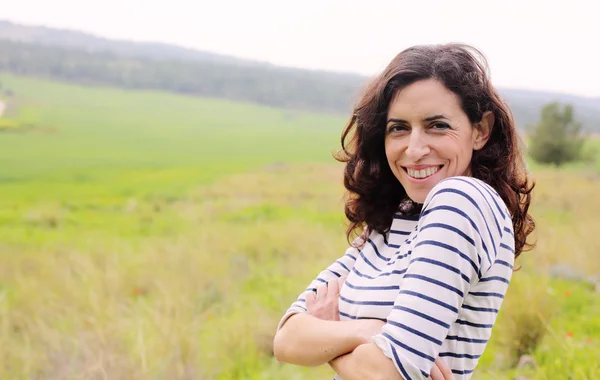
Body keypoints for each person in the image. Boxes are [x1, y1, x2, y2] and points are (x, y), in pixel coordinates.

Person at [273, 43, 535, 380]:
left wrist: (330, 332)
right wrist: (365, 332)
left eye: (437, 125)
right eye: (398, 128)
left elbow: (386, 373)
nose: (414, 149)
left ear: (480, 130)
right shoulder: (393, 225)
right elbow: (287, 339)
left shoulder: (463, 200)